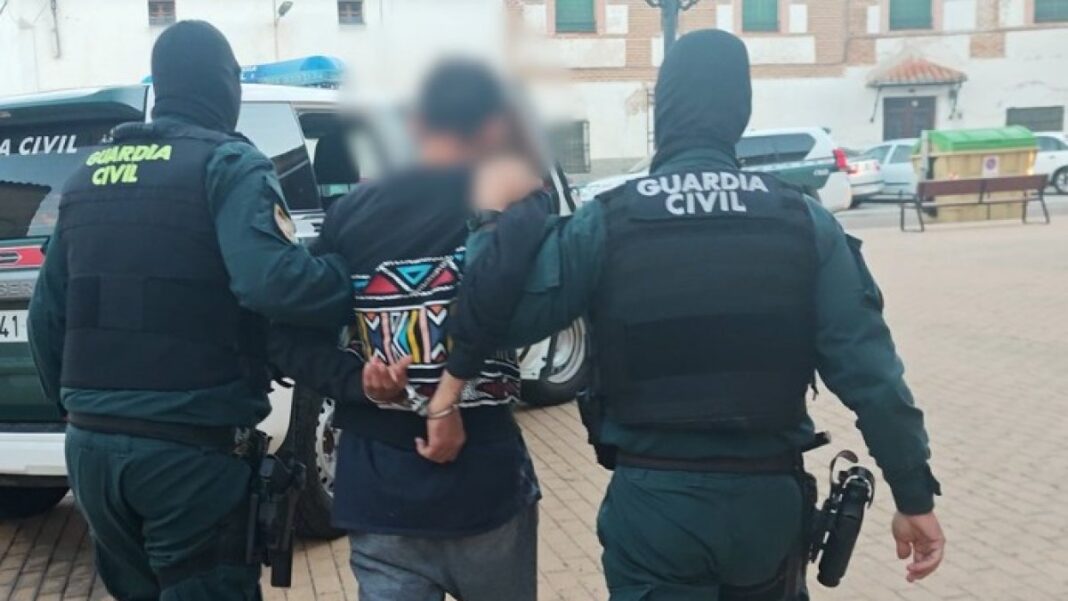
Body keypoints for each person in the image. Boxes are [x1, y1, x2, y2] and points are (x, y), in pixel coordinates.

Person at [431, 30, 946, 600]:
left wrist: (491, 222)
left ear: (664, 113)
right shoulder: (804, 223)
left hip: (656, 503)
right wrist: (914, 496)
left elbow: (498, 318)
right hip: (766, 506)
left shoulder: (606, 221)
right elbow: (873, 380)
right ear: (740, 112)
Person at [28, 21, 354, 601]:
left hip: (94, 456)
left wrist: (87, 414)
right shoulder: (228, 164)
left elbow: (45, 321)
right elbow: (271, 283)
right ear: (225, 84)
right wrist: (348, 281)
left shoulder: (84, 180)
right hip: (188, 458)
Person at [268, 60, 547, 601]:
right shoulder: (513, 196)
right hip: (486, 489)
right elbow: (507, 283)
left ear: (415, 124)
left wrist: (357, 382)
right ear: (495, 127)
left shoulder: (351, 215)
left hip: (379, 494)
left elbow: (285, 336)